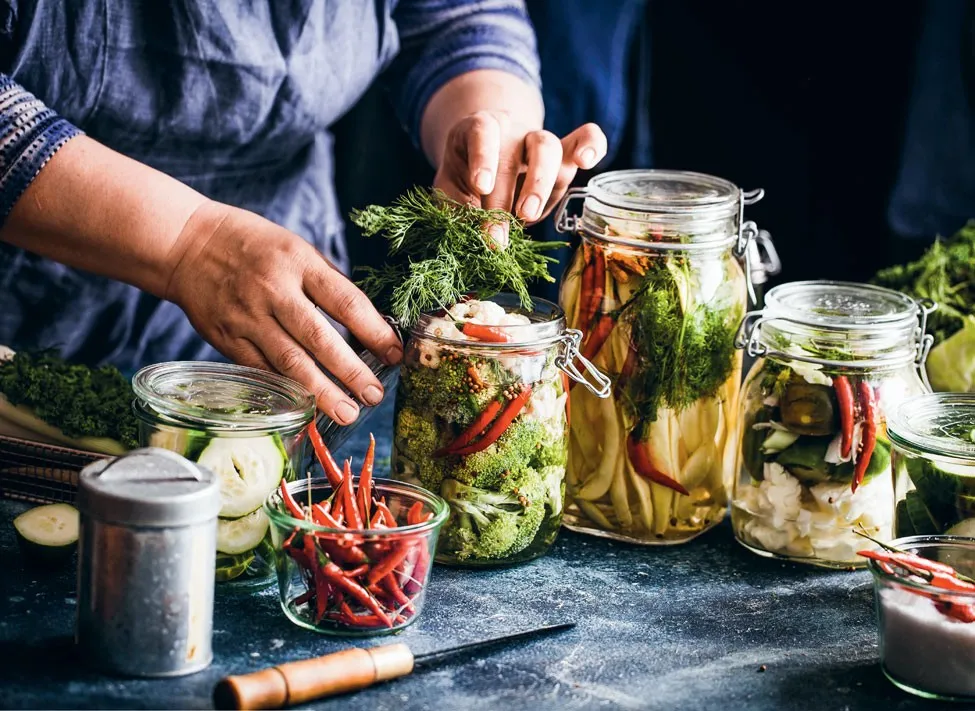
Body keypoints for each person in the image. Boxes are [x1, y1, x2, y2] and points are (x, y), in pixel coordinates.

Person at [0, 1, 607, 428]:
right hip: (33, 325)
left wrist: (490, 131)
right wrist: (188, 241)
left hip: (294, 329)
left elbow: (458, 18)